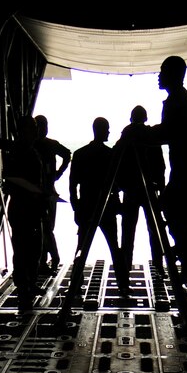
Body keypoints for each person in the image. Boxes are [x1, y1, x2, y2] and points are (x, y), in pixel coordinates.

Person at [148, 55, 187, 287]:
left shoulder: (177, 101)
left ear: (173, 74)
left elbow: (167, 133)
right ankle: (186, 258)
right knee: (176, 214)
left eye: (162, 71)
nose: (159, 75)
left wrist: (141, 135)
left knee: (177, 214)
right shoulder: (181, 99)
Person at [69, 117, 128, 294]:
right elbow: (116, 185)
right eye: (107, 129)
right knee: (114, 247)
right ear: (101, 130)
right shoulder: (110, 155)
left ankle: (76, 283)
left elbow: (73, 185)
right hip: (106, 207)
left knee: (82, 248)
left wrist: (76, 206)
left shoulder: (80, 154)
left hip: (87, 205)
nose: (109, 132)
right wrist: (118, 205)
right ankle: (123, 284)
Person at [113, 105, 167, 282]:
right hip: (149, 189)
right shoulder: (150, 136)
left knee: (128, 230)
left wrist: (118, 186)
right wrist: (162, 187)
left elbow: (116, 159)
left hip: (130, 189)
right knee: (155, 230)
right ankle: (159, 265)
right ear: (145, 118)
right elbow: (160, 165)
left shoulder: (126, 135)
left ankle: (126, 267)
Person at [2, 115, 45, 312]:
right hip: (24, 208)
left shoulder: (24, 151)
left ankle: (28, 284)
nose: (36, 131)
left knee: (31, 248)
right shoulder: (22, 153)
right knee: (24, 249)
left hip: (27, 207)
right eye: (33, 128)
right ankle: (23, 289)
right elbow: (11, 180)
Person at [34, 115, 70, 272]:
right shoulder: (51, 145)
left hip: (38, 193)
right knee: (47, 227)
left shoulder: (33, 146)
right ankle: (49, 259)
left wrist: (58, 174)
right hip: (49, 192)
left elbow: (67, 155)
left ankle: (46, 259)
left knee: (42, 228)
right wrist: (58, 173)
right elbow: (67, 155)